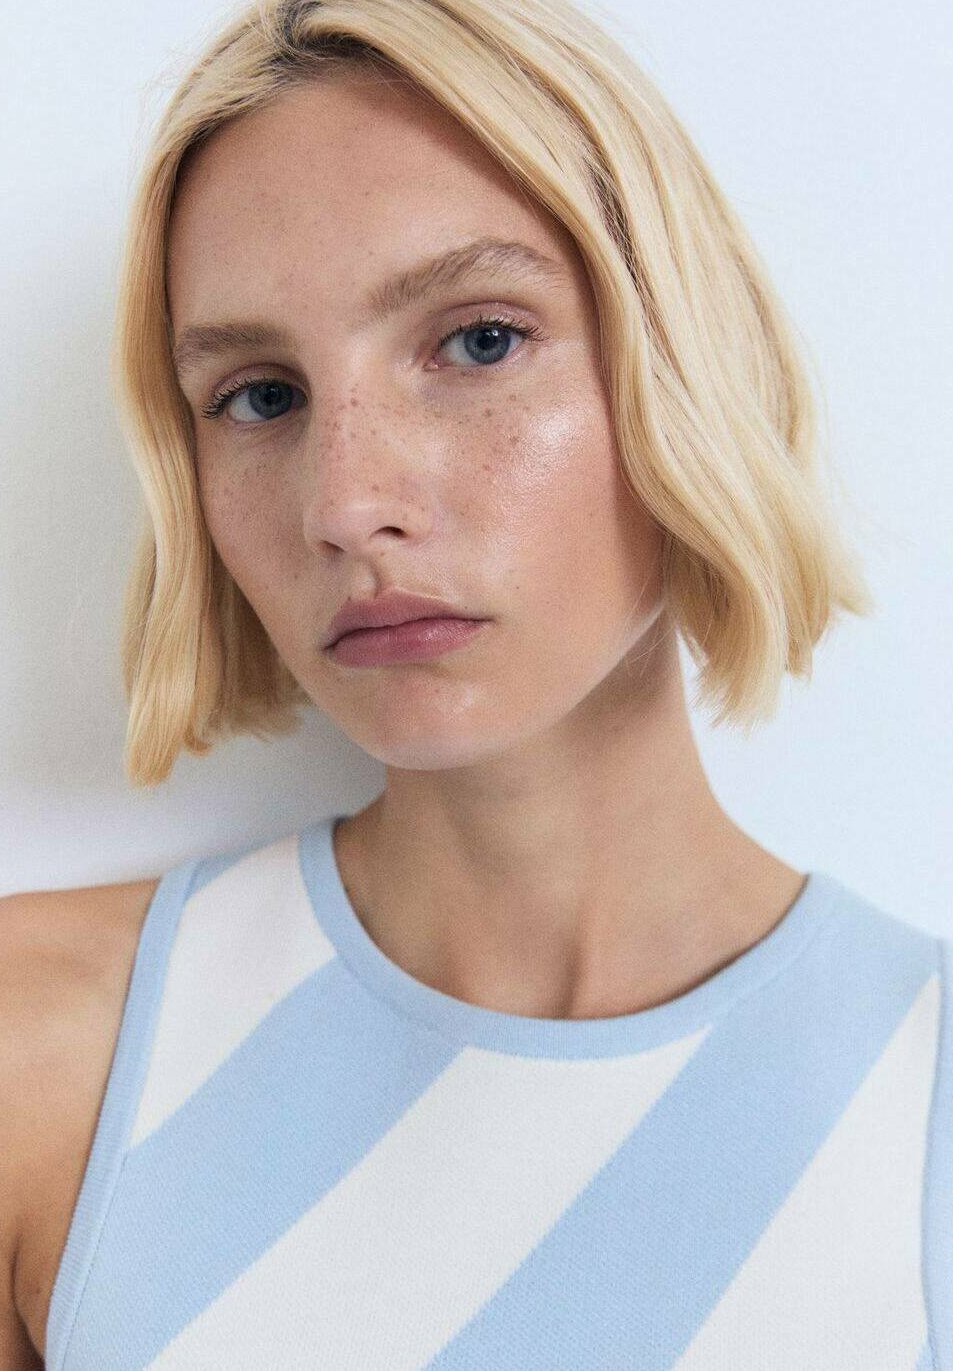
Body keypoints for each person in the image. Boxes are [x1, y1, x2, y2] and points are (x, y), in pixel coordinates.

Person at [1, 0, 950, 1366]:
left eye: (480, 340)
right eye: (261, 396)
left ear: (680, 357)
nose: (346, 504)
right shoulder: (39, 1054)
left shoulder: (921, 1104)